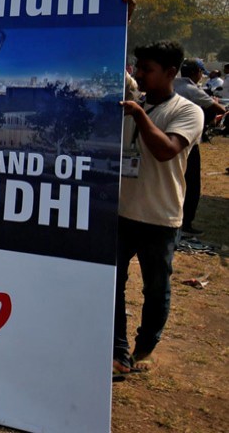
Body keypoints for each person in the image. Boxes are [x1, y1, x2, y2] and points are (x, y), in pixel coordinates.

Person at [114, 40, 204, 375]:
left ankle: (145, 348)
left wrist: (139, 115)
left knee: (156, 289)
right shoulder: (132, 102)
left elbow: (166, 149)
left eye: (147, 70)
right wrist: (123, 17)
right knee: (113, 284)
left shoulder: (186, 111)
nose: (139, 74)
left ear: (171, 72)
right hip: (122, 213)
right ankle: (119, 351)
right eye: (138, 68)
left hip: (159, 216)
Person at [173, 59, 225, 236]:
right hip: (188, 142)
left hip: (165, 138)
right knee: (191, 183)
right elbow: (219, 108)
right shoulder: (193, 90)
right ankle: (186, 223)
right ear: (196, 73)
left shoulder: (171, 84)